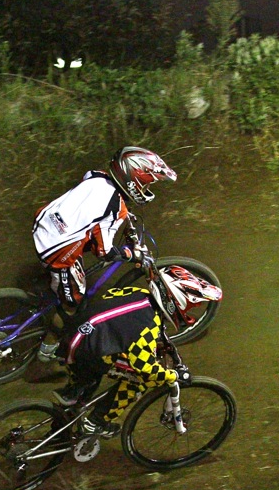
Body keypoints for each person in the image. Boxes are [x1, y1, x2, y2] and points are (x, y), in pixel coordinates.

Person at [32, 146, 178, 361]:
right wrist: (130, 254)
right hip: (55, 250)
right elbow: (105, 251)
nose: (147, 187)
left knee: (82, 249)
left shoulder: (97, 177)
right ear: (132, 179)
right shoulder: (116, 209)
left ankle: (48, 291)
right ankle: (48, 349)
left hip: (44, 225)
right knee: (75, 303)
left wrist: (124, 219)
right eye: (146, 182)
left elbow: (95, 210)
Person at [50, 274, 206, 437]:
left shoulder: (138, 292)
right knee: (141, 380)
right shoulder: (148, 327)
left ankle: (68, 406)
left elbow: (111, 299)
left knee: (88, 378)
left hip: (71, 338)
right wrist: (171, 375)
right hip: (85, 354)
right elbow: (145, 368)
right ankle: (96, 422)